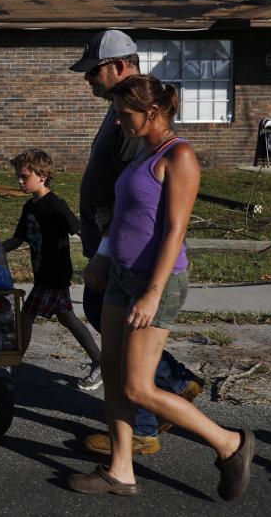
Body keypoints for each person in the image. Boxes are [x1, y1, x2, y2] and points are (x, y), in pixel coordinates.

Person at [68, 75, 254, 500]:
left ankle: (230, 444)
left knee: (138, 387)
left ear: (152, 113)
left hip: (158, 282)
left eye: (124, 114)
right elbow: (125, 215)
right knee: (114, 377)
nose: (118, 122)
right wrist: (102, 254)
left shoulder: (179, 156)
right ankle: (120, 472)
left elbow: (174, 231)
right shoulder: (142, 155)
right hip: (120, 275)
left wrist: (152, 292)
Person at [71, 30, 202, 456]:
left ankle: (153, 418)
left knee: (126, 355)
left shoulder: (140, 125)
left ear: (120, 67)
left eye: (94, 71)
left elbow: (148, 207)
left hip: (134, 259)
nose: (88, 80)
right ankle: (139, 430)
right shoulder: (123, 112)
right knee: (108, 332)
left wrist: (108, 249)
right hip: (118, 252)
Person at [2, 149, 101, 390]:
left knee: (26, 317)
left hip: (54, 275)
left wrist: (99, 257)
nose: (20, 181)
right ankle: (100, 363)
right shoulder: (29, 208)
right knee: (67, 319)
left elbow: (79, 230)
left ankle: (13, 366)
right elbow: (17, 239)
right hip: (43, 274)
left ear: (42, 175)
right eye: (19, 176)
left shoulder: (55, 205)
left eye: (24, 176)